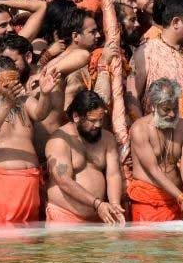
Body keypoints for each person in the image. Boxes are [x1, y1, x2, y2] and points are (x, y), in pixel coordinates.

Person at [0, 56, 60, 223]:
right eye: (6, 85)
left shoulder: (24, 102)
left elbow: (40, 114)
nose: (13, 88)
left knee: (26, 237)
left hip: (29, 184)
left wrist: (45, 95)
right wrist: (7, 104)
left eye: (16, 83)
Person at [128, 78, 183, 221]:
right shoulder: (140, 129)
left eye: (175, 108)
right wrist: (181, 197)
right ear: (153, 106)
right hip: (148, 203)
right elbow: (153, 170)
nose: (172, 114)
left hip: (176, 201)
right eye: (166, 109)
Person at [45, 90, 125, 224]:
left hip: (99, 216)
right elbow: (63, 181)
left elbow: (113, 175)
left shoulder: (107, 138)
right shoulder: (59, 140)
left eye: (101, 119)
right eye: (93, 121)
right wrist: (97, 204)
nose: (98, 125)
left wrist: (115, 204)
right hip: (64, 217)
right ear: (76, 116)